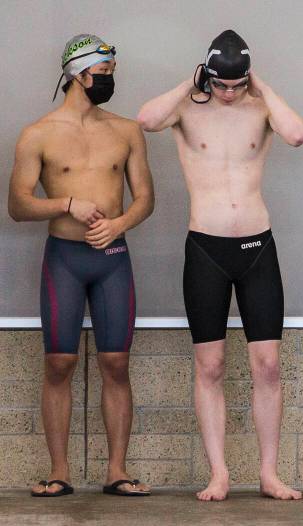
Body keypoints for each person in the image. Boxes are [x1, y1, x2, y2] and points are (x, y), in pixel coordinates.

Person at [137, 30, 303, 502]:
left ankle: (269, 474)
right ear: (207, 76)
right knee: (209, 365)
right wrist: (189, 83)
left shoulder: (261, 108)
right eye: (221, 84)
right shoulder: (187, 109)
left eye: (236, 85)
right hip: (206, 249)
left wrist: (263, 88)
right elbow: (146, 119)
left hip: (257, 246)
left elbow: (297, 134)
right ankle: (219, 473)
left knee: (268, 364)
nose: (229, 94)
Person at [8, 34, 154, 498]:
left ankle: (117, 470)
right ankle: (59, 472)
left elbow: (146, 199)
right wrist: (65, 202)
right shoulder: (38, 133)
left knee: (116, 362)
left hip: (112, 258)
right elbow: (17, 205)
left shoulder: (126, 130)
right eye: (104, 75)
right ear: (79, 74)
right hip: (65, 259)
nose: (110, 83)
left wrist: (119, 224)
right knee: (58, 362)